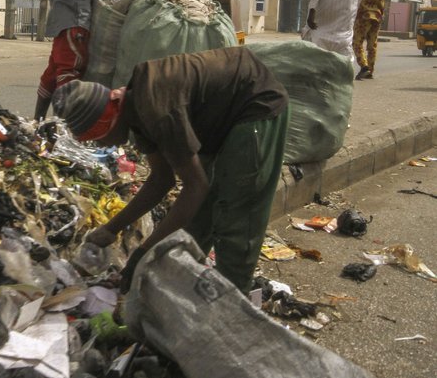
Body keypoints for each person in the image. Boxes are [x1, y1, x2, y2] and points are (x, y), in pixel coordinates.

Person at [52, 46, 289, 294]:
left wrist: (143, 253)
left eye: (96, 137)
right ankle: (183, 289)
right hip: (222, 118)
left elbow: (195, 187)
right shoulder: (135, 110)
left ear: (104, 119)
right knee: (198, 220)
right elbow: (161, 180)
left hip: (256, 106)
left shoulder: (156, 108)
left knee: (236, 218)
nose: (102, 145)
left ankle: (229, 308)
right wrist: (111, 229)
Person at [353, 0, 391, 80]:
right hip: (378, 16)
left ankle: (364, 66)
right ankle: (370, 70)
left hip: (364, 15)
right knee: (372, 45)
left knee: (357, 43)